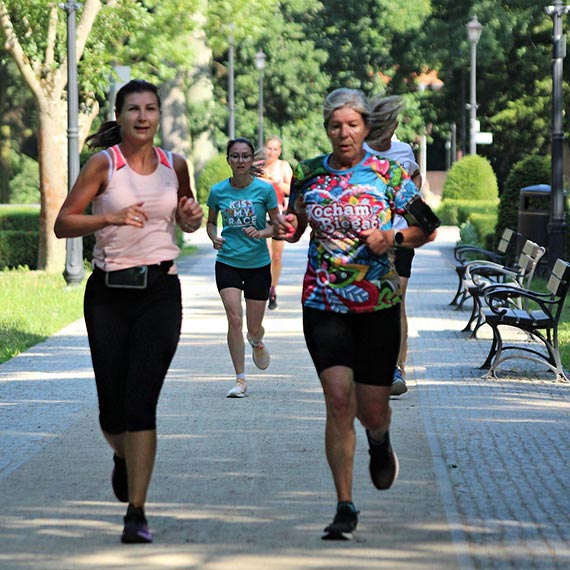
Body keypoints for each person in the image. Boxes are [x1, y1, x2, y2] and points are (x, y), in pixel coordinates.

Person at [281, 88, 437, 540]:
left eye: (352, 125)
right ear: (326, 128)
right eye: (335, 125)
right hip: (324, 302)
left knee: (372, 409)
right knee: (338, 400)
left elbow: (427, 225)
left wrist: (395, 239)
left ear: (366, 128)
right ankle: (345, 506)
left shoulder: (388, 174)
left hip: (378, 305)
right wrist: (287, 226)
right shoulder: (309, 174)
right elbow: (295, 227)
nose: (343, 133)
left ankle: (379, 439)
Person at [54, 79, 203, 544]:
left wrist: (191, 218)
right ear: (118, 116)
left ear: (159, 116)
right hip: (108, 295)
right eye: (134, 109)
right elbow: (63, 223)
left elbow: (182, 216)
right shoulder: (104, 163)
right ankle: (122, 455)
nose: (143, 117)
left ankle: (136, 511)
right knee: (111, 412)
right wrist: (109, 218)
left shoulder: (174, 164)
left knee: (142, 400)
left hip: (161, 291)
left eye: (151, 109)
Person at [206, 137, 290, 398]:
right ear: (228, 160)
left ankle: (256, 340)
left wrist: (262, 233)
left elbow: (278, 225)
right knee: (234, 319)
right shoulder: (218, 191)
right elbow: (210, 222)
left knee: (252, 328)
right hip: (228, 262)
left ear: (251, 159)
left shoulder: (264, 190)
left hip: (257, 264)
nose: (240, 160)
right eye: (235, 156)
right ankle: (240, 380)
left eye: (245, 156)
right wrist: (213, 236)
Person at [365, 95, 422, 397]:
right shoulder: (357, 151)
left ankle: (396, 368)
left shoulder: (404, 151)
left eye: (391, 123)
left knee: (396, 302)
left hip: (399, 238)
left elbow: (415, 182)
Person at [259, 136, 293, 310]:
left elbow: (292, 189)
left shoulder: (283, 166)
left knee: (277, 256)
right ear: (264, 148)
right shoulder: (257, 166)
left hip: (279, 214)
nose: (271, 152)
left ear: (279, 151)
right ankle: (263, 286)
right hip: (261, 214)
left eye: (275, 149)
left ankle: (273, 288)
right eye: (269, 148)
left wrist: (276, 182)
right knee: (266, 253)